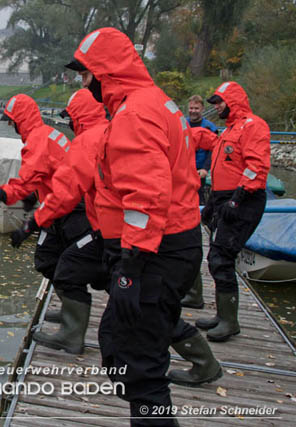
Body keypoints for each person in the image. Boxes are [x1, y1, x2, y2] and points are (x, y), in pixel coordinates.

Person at [66, 27, 217, 425]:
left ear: (105, 72)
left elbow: (145, 196)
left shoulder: (135, 114)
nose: (84, 83)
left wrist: (130, 266)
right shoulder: (157, 103)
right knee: (123, 345)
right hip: (170, 245)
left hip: (153, 253)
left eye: (86, 75)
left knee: (140, 365)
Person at [0, 94, 90, 287]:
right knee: (54, 258)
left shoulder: (37, 141)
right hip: (67, 202)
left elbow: (25, 182)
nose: (12, 126)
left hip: (68, 207)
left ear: (21, 119)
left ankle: (73, 305)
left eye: (12, 121)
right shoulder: (48, 133)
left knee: (52, 259)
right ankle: (71, 301)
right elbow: (48, 172)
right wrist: (32, 195)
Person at [29, 89, 109, 354]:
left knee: (70, 266)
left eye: (71, 117)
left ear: (80, 118)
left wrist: (35, 220)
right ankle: (71, 318)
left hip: (106, 225)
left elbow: (67, 189)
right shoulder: (101, 133)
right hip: (103, 222)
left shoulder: (89, 141)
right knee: (66, 264)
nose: (69, 124)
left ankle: (72, 333)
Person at [192, 81, 270, 342]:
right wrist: (214, 203)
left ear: (232, 102)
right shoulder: (230, 129)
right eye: (213, 104)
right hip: (225, 197)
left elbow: (256, 168)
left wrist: (237, 200)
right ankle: (223, 315)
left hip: (244, 199)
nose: (216, 107)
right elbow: (222, 163)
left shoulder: (253, 126)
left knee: (222, 257)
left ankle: (229, 321)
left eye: (219, 103)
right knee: (217, 256)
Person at [181, 94, 219, 309]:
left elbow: (216, 151)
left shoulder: (210, 127)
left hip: (199, 176)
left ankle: (195, 292)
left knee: (194, 221)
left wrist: (206, 169)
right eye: (191, 107)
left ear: (202, 109)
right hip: (183, 175)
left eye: (197, 108)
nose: (193, 111)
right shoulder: (182, 124)